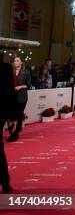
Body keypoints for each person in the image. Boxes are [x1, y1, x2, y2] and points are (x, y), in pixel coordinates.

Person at [1, 58, 17, 192]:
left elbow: (9, 92)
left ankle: (5, 182)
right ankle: (5, 183)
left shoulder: (5, 68)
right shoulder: (6, 68)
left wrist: (11, 117)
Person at [8, 56, 31, 143]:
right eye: (15, 61)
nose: (16, 62)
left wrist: (20, 87)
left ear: (21, 62)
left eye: (18, 61)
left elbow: (28, 85)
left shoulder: (26, 72)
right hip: (11, 96)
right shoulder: (11, 72)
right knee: (10, 115)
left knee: (18, 114)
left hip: (21, 97)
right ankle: (13, 131)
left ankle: (15, 133)